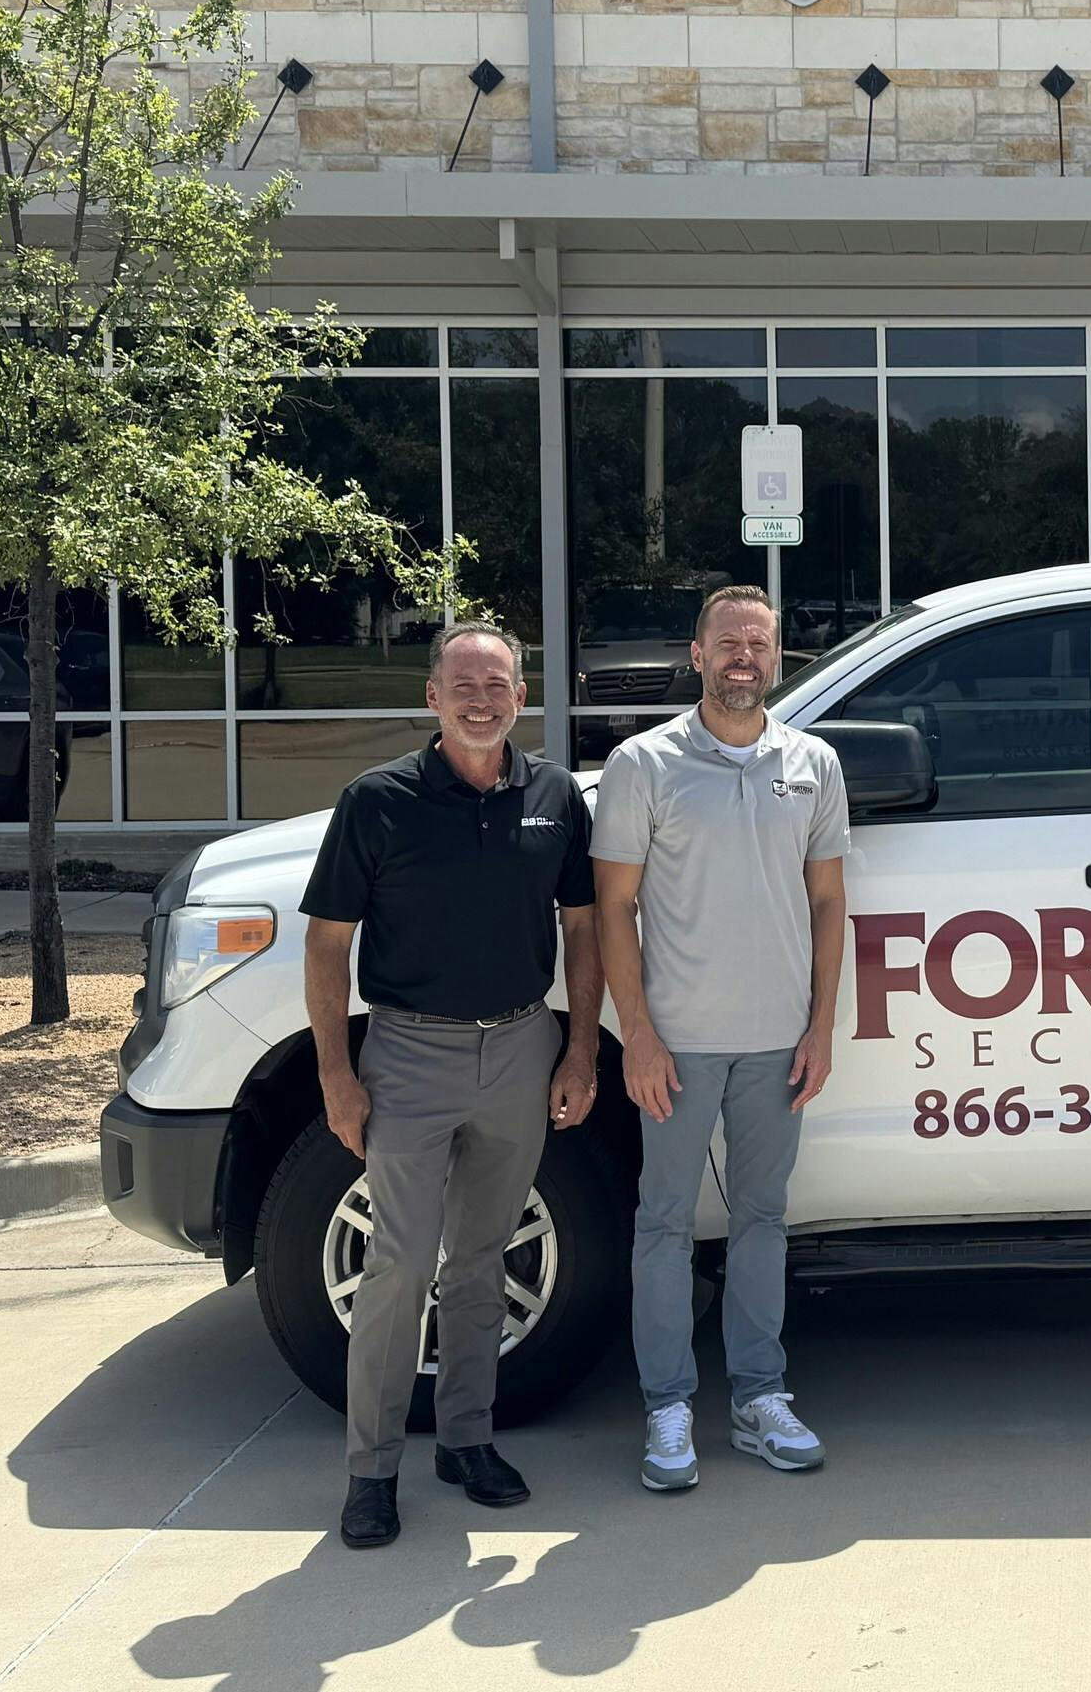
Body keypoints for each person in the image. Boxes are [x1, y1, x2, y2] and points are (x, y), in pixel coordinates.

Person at [301, 621, 603, 1550]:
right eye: (464, 683)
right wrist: (337, 1077)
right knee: (398, 1266)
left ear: (523, 695)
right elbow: (327, 945)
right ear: (432, 696)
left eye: (499, 683)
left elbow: (585, 930)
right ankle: (373, 1469)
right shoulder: (377, 801)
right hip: (410, 1055)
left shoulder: (554, 794)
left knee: (480, 1258)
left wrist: (582, 1048)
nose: (483, 698)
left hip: (521, 1047)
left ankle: (467, 1439)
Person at [593, 584, 849, 1492]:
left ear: (778, 657)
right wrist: (640, 1037)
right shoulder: (643, 764)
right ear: (696, 656)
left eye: (760, 643)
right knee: (662, 1223)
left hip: (778, 1043)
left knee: (762, 1220)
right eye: (727, 642)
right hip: (679, 1044)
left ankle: (757, 1396)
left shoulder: (813, 762)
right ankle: (667, 1405)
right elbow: (612, 908)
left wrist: (819, 1025)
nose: (744, 656)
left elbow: (827, 901)